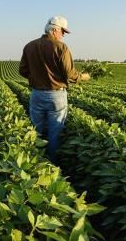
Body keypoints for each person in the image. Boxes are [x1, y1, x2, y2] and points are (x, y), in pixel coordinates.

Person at [19, 15, 90, 164]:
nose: (63, 35)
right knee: (54, 132)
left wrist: (36, 76)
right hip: (56, 96)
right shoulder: (61, 47)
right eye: (62, 31)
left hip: (36, 94)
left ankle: (32, 162)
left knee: (35, 130)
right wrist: (83, 77)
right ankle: (51, 165)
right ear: (54, 30)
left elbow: (22, 71)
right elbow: (70, 74)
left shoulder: (29, 46)